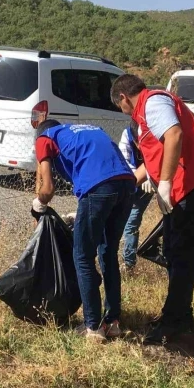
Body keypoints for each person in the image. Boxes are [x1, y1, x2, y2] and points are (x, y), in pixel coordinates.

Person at [110, 74, 194, 344]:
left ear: (123, 98)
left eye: (121, 107)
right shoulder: (145, 117)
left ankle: (175, 323)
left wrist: (164, 185)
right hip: (192, 189)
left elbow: (175, 135)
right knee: (175, 252)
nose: (123, 112)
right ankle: (179, 317)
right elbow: (151, 161)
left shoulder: (154, 103)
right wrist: (124, 185)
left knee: (181, 253)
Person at [32, 119, 135, 342]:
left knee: (82, 256)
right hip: (127, 185)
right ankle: (113, 322)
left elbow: (48, 189)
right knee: (108, 252)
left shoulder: (44, 137)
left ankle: (92, 327)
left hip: (99, 188)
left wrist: (38, 205)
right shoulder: (87, 130)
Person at [117, 121, 154, 272]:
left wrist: (152, 178)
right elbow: (124, 163)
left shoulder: (154, 136)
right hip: (130, 182)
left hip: (150, 184)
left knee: (132, 221)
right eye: (138, 142)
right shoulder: (127, 135)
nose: (141, 146)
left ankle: (128, 263)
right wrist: (144, 175)